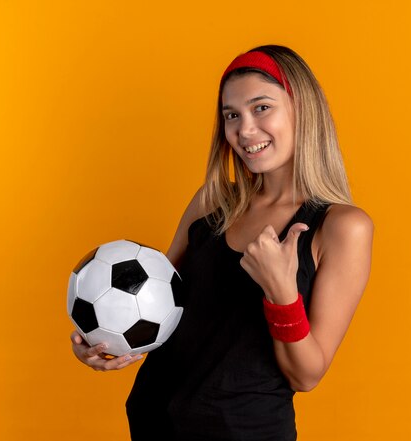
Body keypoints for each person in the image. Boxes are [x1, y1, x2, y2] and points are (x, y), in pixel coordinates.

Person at [71, 44, 374, 440]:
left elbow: (305, 375)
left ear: (303, 108)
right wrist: (100, 340)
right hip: (153, 420)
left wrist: (281, 292)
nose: (244, 129)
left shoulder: (341, 227)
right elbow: (154, 303)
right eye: (232, 114)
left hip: (242, 431)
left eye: (261, 107)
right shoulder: (213, 201)